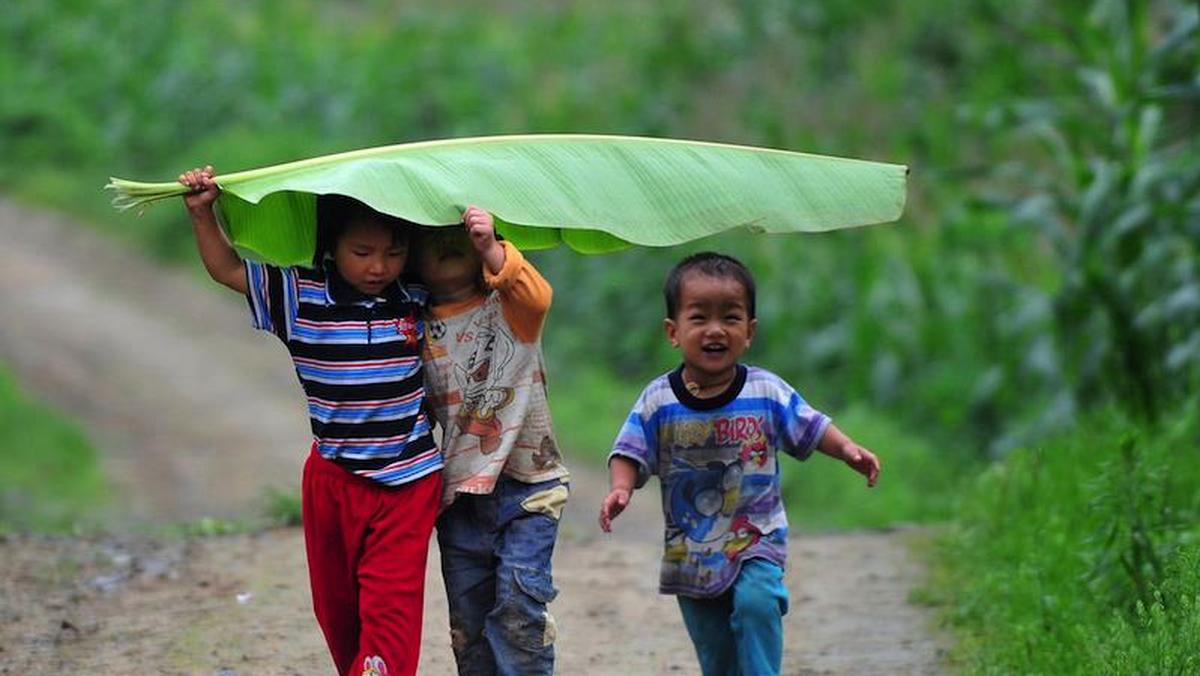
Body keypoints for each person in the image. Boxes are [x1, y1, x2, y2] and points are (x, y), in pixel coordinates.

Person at [178, 166, 442, 676]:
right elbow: (228, 270)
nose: (379, 266)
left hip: (408, 480)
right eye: (362, 252)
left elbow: (474, 275)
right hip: (334, 480)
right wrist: (201, 213)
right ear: (330, 248)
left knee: (391, 605)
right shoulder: (300, 297)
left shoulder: (416, 295)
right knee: (337, 609)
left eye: (393, 251)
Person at [598, 251, 881, 676]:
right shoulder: (659, 399)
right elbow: (630, 449)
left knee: (758, 602)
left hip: (757, 537)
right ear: (673, 331)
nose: (715, 329)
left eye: (730, 317)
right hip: (692, 551)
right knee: (718, 658)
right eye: (699, 318)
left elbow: (810, 424)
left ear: (749, 331)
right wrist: (621, 487)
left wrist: (847, 450)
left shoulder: (766, 391)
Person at [414, 206, 569, 676]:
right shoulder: (412, 330)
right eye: (430, 233)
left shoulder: (510, 308)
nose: (449, 239)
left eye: (459, 231)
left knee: (521, 612)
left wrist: (491, 251)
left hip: (529, 488)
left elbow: (538, 295)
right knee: (470, 631)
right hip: (459, 501)